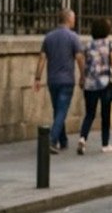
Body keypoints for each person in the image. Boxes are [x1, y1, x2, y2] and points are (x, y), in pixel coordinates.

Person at [34, 9, 84, 153]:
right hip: (67, 80)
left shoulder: (49, 37)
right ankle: (51, 140)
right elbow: (80, 58)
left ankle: (63, 141)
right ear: (68, 19)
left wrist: (37, 77)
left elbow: (42, 58)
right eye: (74, 18)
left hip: (52, 80)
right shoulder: (73, 37)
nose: (75, 21)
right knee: (61, 111)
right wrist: (82, 76)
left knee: (58, 110)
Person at [77, 18, 112, 154]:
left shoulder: (88, 45)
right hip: (104, 84)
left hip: (90, 84)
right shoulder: (109, 45)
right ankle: (105, 144)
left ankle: (83, 138)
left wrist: (82, 78)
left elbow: (84, 65)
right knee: (105, 114)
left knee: (89, 114)